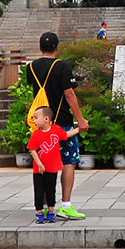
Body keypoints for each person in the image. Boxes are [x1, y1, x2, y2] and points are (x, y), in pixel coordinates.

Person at [27, 32, 90, 219]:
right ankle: (65, 205)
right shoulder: (61, 66)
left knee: (45, 164)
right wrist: (80, 119)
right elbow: (69, 94)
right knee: (69, 161)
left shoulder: (31, 67)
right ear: (57, 48)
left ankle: (47, 207)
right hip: (62, 123)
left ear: (39, 47)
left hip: (42, 125)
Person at [27, 106, 80, 223]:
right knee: (39, 191)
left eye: (36, 118)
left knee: (51, 190)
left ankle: (51, 212)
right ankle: (40, 212)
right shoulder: (35, 135)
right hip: (39, 169)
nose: (34, 121)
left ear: (46, 119)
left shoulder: (56, 130)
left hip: (52, 168)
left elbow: (65, 135)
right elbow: (33, 150)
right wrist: (39, 164)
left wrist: (78, 129)